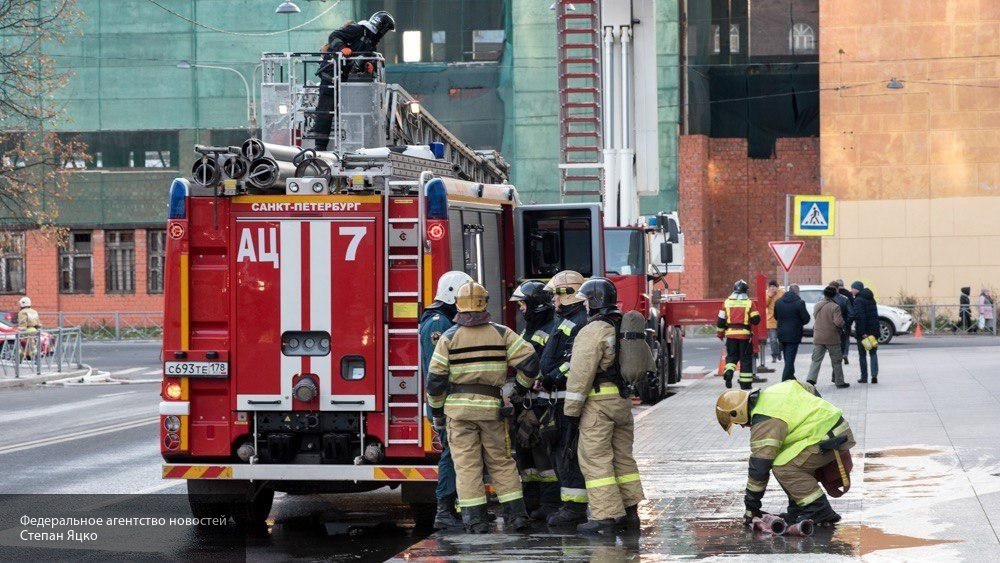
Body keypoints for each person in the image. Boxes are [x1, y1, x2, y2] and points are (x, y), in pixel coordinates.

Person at [426, 281, 539, 534]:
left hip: (458, 413)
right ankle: (516, 518)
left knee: (467, 466)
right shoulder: (502, 333)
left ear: (458, 305)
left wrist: (437, 414)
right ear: (484, 304)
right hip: (492, 411)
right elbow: (531, 363)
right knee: (501, 462)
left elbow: (435, 381)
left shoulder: (449, 338)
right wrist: (519, 389)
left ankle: (476, 521)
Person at [715, 380, 856, 527]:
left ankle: (819, 510)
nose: (743, 427)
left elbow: (759, 469)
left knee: (783, 468)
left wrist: (751, 508)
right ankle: (798, 509)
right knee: (787, 457)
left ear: (738, 413)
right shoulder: (776, 391)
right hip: (836, 429)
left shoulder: (764, 421)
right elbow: (810, 388)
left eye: (738, 423)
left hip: (827, 439)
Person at [565, 278, 644, 535]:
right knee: (623, 457)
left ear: (595, 301)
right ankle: (631, 513)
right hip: (622, 402)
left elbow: (581, 374)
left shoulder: (593, 330)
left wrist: (571, 412)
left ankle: (605, 517)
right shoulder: (620, 325)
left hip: (598, 403)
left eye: (586, 300)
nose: (584, 305)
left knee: (596, 459)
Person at [418, 271, 472, 530]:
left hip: (449, 401)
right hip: (445, 402)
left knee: (457, 454)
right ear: (453, 293)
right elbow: (437, 370)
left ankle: (452, 508)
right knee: (451, 455)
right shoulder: (438, 323)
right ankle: (444, 510)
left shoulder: (441, 319)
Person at [540, 270, 590, 526]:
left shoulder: (579, 321)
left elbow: (574, 362)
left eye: (556, 295)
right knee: (560, 450)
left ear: (568, 294)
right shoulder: (566, 319)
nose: (553, 301)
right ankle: (569, 503)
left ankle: (574, 508)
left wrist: (551, 376)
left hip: (566, 398)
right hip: (559, 398)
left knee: (568, 452)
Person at [508, 280, 561, 521]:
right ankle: (532, 502)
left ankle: (550, 503)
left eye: (522, 304)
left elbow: (541, 365)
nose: (520, 308)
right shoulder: (528, 329)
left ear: (535, 304)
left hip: (541, 403)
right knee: (526, 457)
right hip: (526, 402)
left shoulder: (550, 329)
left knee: (544, 457)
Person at [309, 11, 396, 150]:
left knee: (351, 112)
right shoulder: (357, 30)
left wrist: (369, 64)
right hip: (331, 75)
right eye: (385, 30)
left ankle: (353, 144)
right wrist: (342, 48)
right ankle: (320, 147)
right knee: (325, 110)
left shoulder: (371, 41)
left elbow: (365, 56)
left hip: (346, 80)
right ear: (380, 27)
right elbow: (334, 36)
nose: (384, 33)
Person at [717, 279, 763, 390]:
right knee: (745, 360)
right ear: (745, 291)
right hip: (745, 337)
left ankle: (728, 371)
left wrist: (720, 334)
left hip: (731, 336)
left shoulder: (726, 302)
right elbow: (756, 320)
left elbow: (720, 321)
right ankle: (745, 384)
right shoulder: (749, 303)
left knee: (732, 357)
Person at [806, 286, 848, 389]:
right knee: (836, 361)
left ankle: (811, 380)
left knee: (816, 360)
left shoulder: (817, 305)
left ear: (824, 294)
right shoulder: (835, 307)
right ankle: (839, 381)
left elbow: (816, 318)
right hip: (832, 337)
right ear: (834, 295)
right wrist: (843, 323)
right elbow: (838, 322)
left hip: (818, 336)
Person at [773, 285, 810, 381]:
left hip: (781, 333)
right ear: (797, 292)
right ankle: (785, 379)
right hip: (794, 333)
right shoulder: (799, 303)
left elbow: (776, 316)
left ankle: (791, 376)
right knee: (790, 358)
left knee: (787, 356)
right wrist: (798, 322)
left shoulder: (778, 302)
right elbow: (806, 319)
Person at [850, 281, 879, 384]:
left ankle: (864, 377)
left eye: (852, 288)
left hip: (863, 333)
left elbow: (860, 317)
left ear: (857, 289)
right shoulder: (871, 298)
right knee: (873, 353)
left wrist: (862, 332)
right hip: (874, 331)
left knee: (862, 355)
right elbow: (874, 316)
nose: (851, 290)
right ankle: (874, 376)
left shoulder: (858, 300)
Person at [834, 279, 854, 364]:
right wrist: (849, 322)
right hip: (845, 321)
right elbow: (852, 308)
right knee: (846, 339)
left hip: (835, 322)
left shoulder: (832, 295)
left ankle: (838, 356)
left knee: (836, 340)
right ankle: (845, 354)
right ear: (843, 284)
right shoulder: (848, 294)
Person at [765, 280, 785, 364]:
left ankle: (779, 352)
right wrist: (770, 296)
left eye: (774, 287)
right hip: (771, 320)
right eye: (771, 287)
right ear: (769, 287)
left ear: (777, 287)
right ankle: (774, 355)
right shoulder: (767, 293)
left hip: (781, 320)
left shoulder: (782, 293)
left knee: (781, 340)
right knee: (773, 340)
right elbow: (764, 304)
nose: (772, 288)